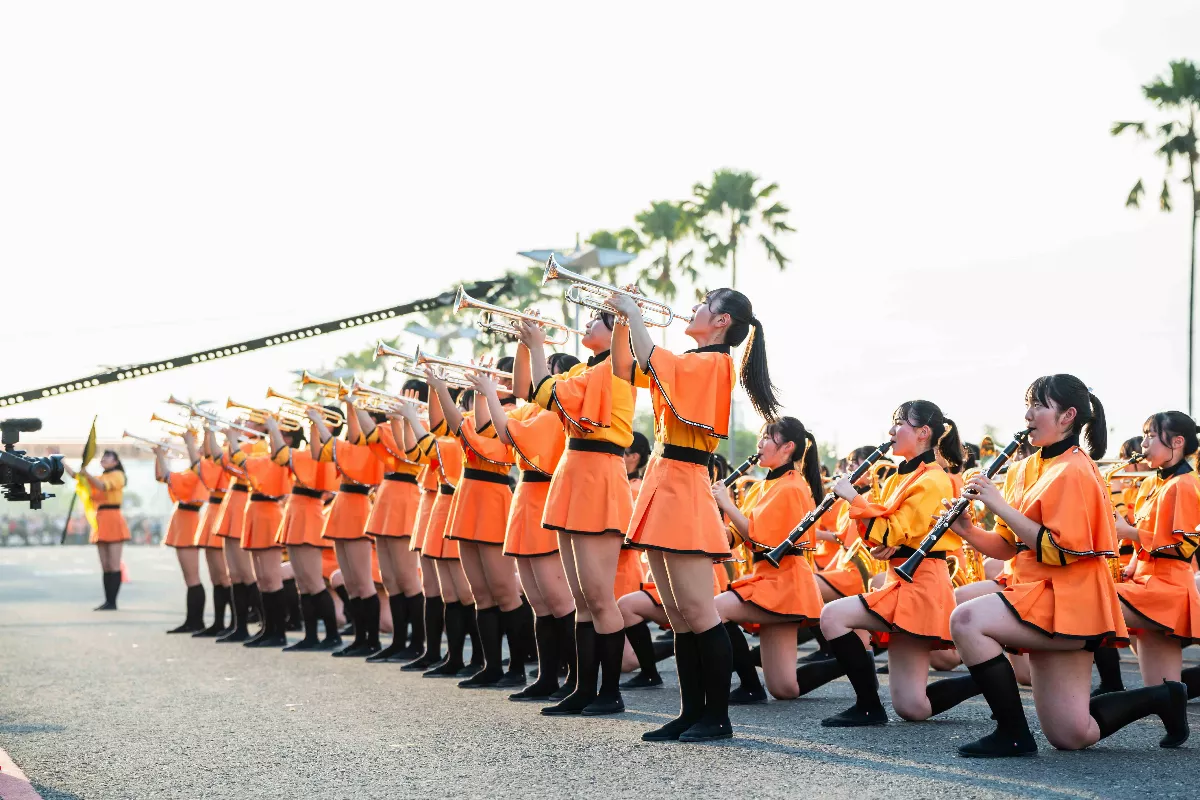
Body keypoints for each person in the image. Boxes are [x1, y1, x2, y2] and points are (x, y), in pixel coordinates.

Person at [948, 375, 1187, 757]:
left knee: (966, 619)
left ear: (1067, 416)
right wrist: (967, 529)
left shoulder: (1076, 470)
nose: (1028, 415)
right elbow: (1009, 547)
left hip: (1070, 599)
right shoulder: (1022, 470)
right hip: (1037, 594)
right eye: (1028, 404)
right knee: (1072, 734)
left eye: (1039, 405)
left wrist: (998, 505)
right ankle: (1164, 697)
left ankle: (1012, 734)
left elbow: (1060, 550)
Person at [612, 286, 777, 742]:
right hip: (667, 480)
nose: (694, 309)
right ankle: (691, 713)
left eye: (704, 305)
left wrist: (631, 312)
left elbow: (653, 358)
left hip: (683, 483)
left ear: (722, 321)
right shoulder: (694, 359)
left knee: (700, 613)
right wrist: (625, 320)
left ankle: (717, 718)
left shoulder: (712, 362)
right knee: (681, 614)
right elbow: (627, 366)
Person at [794, 401, 978, 727]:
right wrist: (887, 548)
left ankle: (868, 706)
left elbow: (892, 528)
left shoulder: (934, 479)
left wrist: (853, 497)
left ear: (923, 433)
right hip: (901, 577)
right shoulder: (898, 476)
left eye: (900, 424)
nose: (892, 431)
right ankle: (987, 678)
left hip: (922, 584)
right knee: (913, 707)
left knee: (833, 615)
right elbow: (884, 535)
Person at [518, 309, 636, 717]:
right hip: (574, 473)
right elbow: (533, 391)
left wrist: (537, 347)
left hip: (599, 475)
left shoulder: (615, 368)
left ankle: (610, 692)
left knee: (600, 597)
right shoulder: (586, 370)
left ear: (615, 332)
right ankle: (585, 689)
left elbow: (547, 391)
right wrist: (528, 346)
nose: (586, 326)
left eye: (596, 321)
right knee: (584, 600)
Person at [472, 351, 578, 700]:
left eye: (548, 369)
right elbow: (489, 428)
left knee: (558, 598)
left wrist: (491, 392)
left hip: (545, 493)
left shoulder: (551, 411)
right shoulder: (532, 409)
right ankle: (548, 676)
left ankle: (574, 677)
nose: (538, 373)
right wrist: (482, 390)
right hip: (526, 495)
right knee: (538, 600)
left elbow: (513, 435)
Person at [428, 356, 530, 689]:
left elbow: (487, 434)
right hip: (468, 497)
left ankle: (516, 667)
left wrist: (486, 392)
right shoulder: (481, 409)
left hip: (492, 497)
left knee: (503, 592)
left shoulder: (512, 414)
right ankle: (491, 666)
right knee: (481, 594)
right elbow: (453, 423)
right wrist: (439, 386)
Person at [712, 417, 826, 703]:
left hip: (784, 580)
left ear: (787, 447)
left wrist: (727, 503)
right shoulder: (763, 486)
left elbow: (762, 538)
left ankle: (749, 685)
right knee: (784, 689)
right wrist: (711, 512)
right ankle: (852, 663)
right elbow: (736, 536)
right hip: (768, 578)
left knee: (716, 609)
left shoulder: (792, 487)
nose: (759, 444)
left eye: (767, 438)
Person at [1113, 412, 1200, 690]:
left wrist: (1130, 533)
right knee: (1161, 692)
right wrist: (1130, 565)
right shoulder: (1151, 483)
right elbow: (1144, 539)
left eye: (1151, 436)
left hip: (1168, 588)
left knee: (1090, 596)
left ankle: (1104, 684)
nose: (1143, 445)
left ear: (1177, 442)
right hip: (1144, 582)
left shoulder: (1187, 484)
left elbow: (1184, 546)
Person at [359, 380, 428, 663]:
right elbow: (369, 435)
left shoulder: (421, 424)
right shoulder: (396, 423)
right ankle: (399, 642)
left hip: (406, 495)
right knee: (390, 579)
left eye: (405, 394)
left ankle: (416, 643)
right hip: (388, 494)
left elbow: (407, 454)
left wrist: (401, 421)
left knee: (407, 577)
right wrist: (356, 402)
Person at [310, 401, 384, 657]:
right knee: (352, 584)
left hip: (357, 506)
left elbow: (346, 439)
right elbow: (318, 453)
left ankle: (371, 640)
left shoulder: (371, 443)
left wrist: (350, 405)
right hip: (344, 504)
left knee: (363, 583)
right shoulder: (354, 443)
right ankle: (360, 638)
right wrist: (314, 423)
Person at [268, 414, 342, 651]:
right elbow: (279, 456)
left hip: (308, 514)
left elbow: (280, 455)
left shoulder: (320, 454)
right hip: (297, 512)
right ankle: (311, 636)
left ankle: (332, 636)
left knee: (313, 582)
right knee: (303, 583)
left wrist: (271, 425)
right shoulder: (310, 452)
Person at [229, 421, 295, 648]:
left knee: (271, 577)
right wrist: (232, 437)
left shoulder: (281, 458)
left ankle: (278, 631)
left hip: (268, 512)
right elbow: (237, 460)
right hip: (255, 510)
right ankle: (268, 629)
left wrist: (272, 428)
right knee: (262, 579)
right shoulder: (263, 457)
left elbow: (244, 460)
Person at [152, 433, 210, 634]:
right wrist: (159, 454)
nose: (199, 450)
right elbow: (162, 476)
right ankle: (192, 620)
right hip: (182, 519)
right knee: (189, 577)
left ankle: (196, 621)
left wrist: (161, 453)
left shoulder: (201, 470)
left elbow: (168, 476)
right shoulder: (193, 470)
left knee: (192, 576)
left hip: (189, 521)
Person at [64, 450, 129, 610]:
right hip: (100, 519)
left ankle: (113, 602)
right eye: (103, 457)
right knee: (105, 565)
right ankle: (108, 601)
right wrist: (62, 461)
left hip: (113, 516)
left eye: (108, 457)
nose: (104, 459)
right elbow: (77, 477)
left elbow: (103, 487)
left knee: (114, 564)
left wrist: (87, 474)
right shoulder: (99, 476)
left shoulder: (118, 475)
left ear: (115, 461)